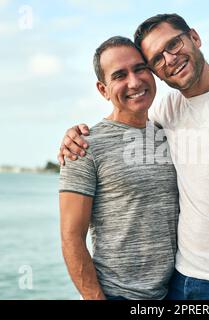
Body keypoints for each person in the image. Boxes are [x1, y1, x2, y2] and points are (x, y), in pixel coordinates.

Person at [58, 14, 209, 300]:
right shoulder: (164, 111)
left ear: (194, 37)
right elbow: (123, 122)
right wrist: (75, 137)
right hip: (178, 280)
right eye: (157, 58)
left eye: (174, 44)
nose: (170, 59)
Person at [59, 36, 179, 300]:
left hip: (176, 292)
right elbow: (71, 238)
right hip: (117, 295)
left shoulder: (170, 133)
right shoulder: (84, 147)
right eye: (119, 75)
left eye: (139, 68)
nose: (134, 82)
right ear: (103, 90)